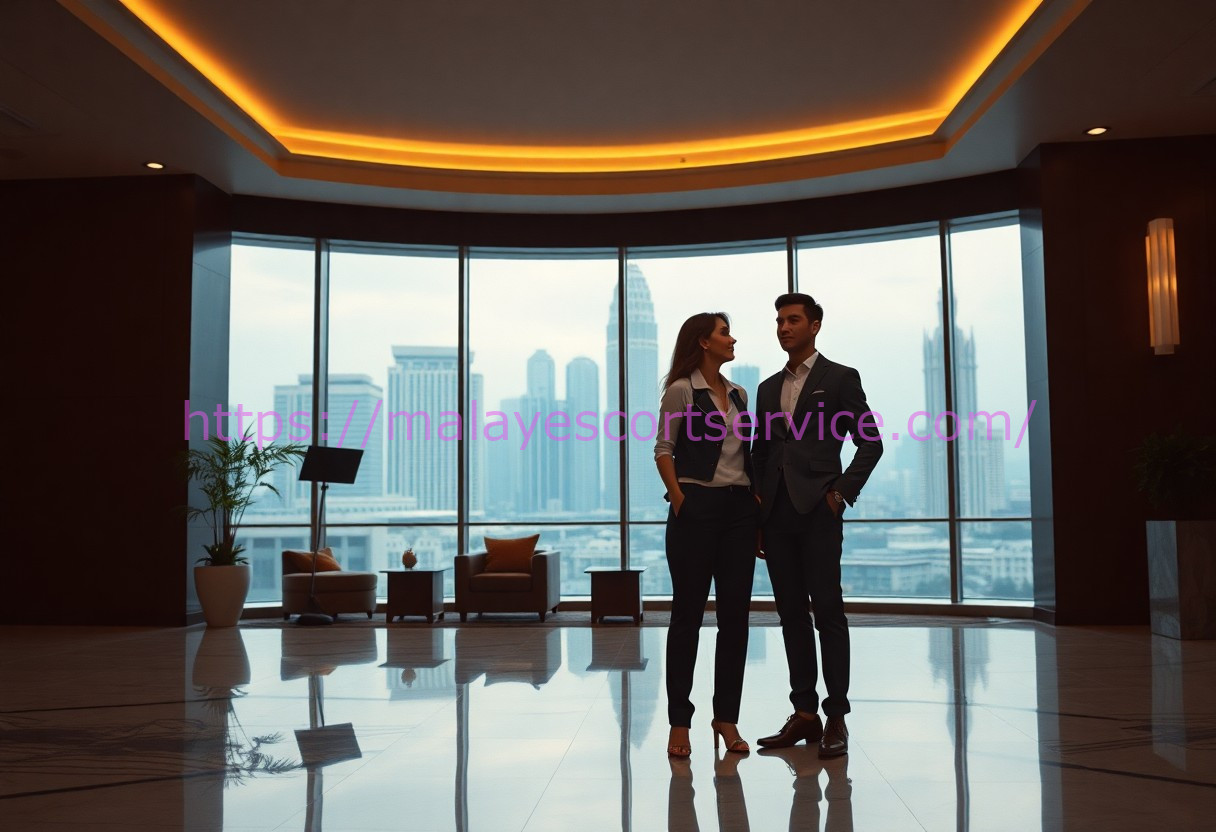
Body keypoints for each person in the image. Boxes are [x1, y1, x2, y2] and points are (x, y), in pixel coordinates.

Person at [751, 293, 882, 757]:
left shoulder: (841, 378)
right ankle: (804, 713)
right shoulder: (767, 388)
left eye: (793, 320)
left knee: (827, 613)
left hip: (820, 512)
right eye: (779, 321)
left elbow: (870, 443)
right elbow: (761, 452)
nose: (784, 328)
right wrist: (758, 514)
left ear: (815, 325)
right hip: (776, 516)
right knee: (790, 616)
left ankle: (836, 717)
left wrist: (840, 493)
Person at [655, 312, 758, 758]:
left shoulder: (739, 394)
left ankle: (726, 717)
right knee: (687, 619)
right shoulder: (681, 390)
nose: (732, 339)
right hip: (696, 507)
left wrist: (754, 507)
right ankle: (680, 722)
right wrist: (680, 498)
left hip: (740, 511)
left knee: (735, 620)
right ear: (703, 341)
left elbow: (746, 455)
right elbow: (663, 449)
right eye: (724, 333)